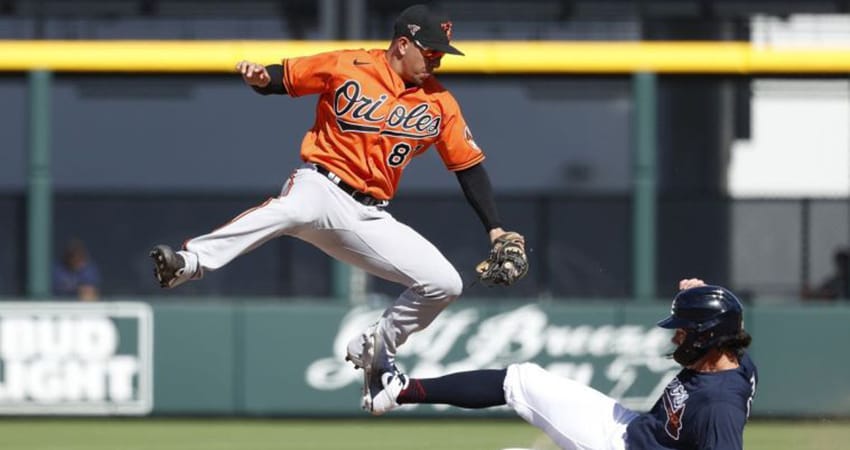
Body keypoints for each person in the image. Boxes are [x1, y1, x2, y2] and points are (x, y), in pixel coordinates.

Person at [148, 4, 523, 406]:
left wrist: (495, 228)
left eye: (440, 54)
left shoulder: (440, 103)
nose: (435, 61)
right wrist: (261, 79)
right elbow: (284, 78)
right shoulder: (349, 64)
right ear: (402, 44)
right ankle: (189, 264)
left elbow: (468, 168)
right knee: (290, 209)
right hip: (321, 184)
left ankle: (375, 349)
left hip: (371, 213)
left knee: (443, 283)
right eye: (429, 52)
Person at [366, 278, 758, 450]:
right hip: (632, 428)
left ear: (708, 335)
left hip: (618, 446)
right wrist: (701, 296)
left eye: (685, 330)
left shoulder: (717, 406)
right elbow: (727, 323)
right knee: (521, 379)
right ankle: (401, 389)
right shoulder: (732, 362)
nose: (677, 337)